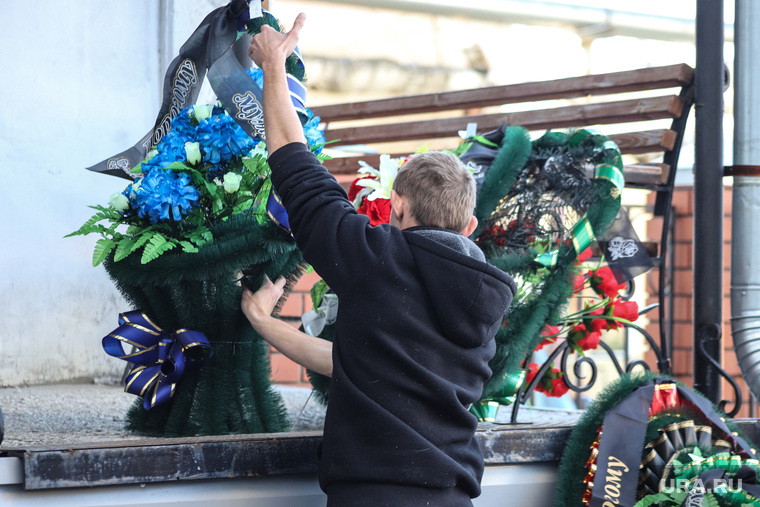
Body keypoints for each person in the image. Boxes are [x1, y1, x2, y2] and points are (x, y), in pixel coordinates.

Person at [241, 13, 517, 506]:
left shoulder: (379, 257)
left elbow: (293, 165)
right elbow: (354, 362)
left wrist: (274, 67)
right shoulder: (483, 297)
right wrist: (263, 323)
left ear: (397, 209)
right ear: (469, 228)